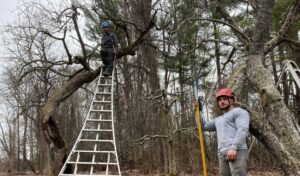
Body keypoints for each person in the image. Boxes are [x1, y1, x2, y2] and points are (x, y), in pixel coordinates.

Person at [196, 88, 250, 176]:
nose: (222, 102)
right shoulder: (219, 119)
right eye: (220, 100)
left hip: (237, 151)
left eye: (225, 99)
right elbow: (202, 126)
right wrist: (199, 110)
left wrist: (234, 147)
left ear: (231, 100)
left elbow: (243, 129)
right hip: (222, 153)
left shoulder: (239, 112)